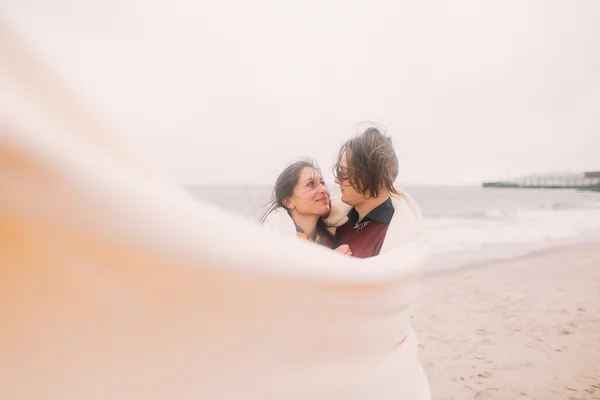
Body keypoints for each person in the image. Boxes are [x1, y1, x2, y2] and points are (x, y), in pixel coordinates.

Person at [327, 125, 422, 258]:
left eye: (343, 172)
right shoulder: (338, 221)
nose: (337, 180)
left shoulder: (397, 236)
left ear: (371, 175)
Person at [262, 159, 352, 255]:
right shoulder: (276, 244)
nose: (323, 189)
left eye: (322, 183)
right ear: (288, 201)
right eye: (311, 184)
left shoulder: (335, 235)